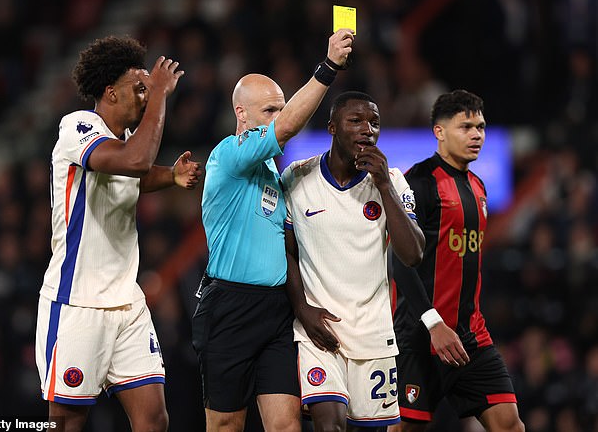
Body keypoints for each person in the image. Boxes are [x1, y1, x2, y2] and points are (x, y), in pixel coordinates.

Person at [35, 36, 202, 432]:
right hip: (78, 303)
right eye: (139, 89)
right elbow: (134, 161)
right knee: (67, 424)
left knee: (153, 419)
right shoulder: (78, 127)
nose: (146, 97)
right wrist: (161, 93)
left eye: (148, 88)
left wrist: (171, 176)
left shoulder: (124, 141)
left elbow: (135, 174)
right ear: (110, 93)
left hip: (127, 303)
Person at [192, 28, 355, 432]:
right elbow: (286, 130)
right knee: (226, 424)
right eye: (269, 111)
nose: (278, 119)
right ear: (241, 114)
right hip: (230, 307)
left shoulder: (271, 172)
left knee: (286, 425)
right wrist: (330, 66)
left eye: (281, 108)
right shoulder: (228, 156)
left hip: (276, 311)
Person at [281, 91, 425, 430]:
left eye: (374, 123)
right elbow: (285, 250)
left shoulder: (393, 180)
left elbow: (413, 253)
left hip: (373, 335)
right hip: (319, 331)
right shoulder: (298, 177)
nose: (367, 130)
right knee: (328, 425)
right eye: (356, 121)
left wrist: (385, 187)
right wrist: (301, 308)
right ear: (333, 128)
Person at [388, 90, 524, 432]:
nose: (476, 134)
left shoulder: (478, 186)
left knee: (509, 424)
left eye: (480, 126)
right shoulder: (418, 183)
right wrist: (433, 324)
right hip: (420, 338)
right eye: (466, 126)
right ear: (439, 131)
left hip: (471, 337)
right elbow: (399, 261)